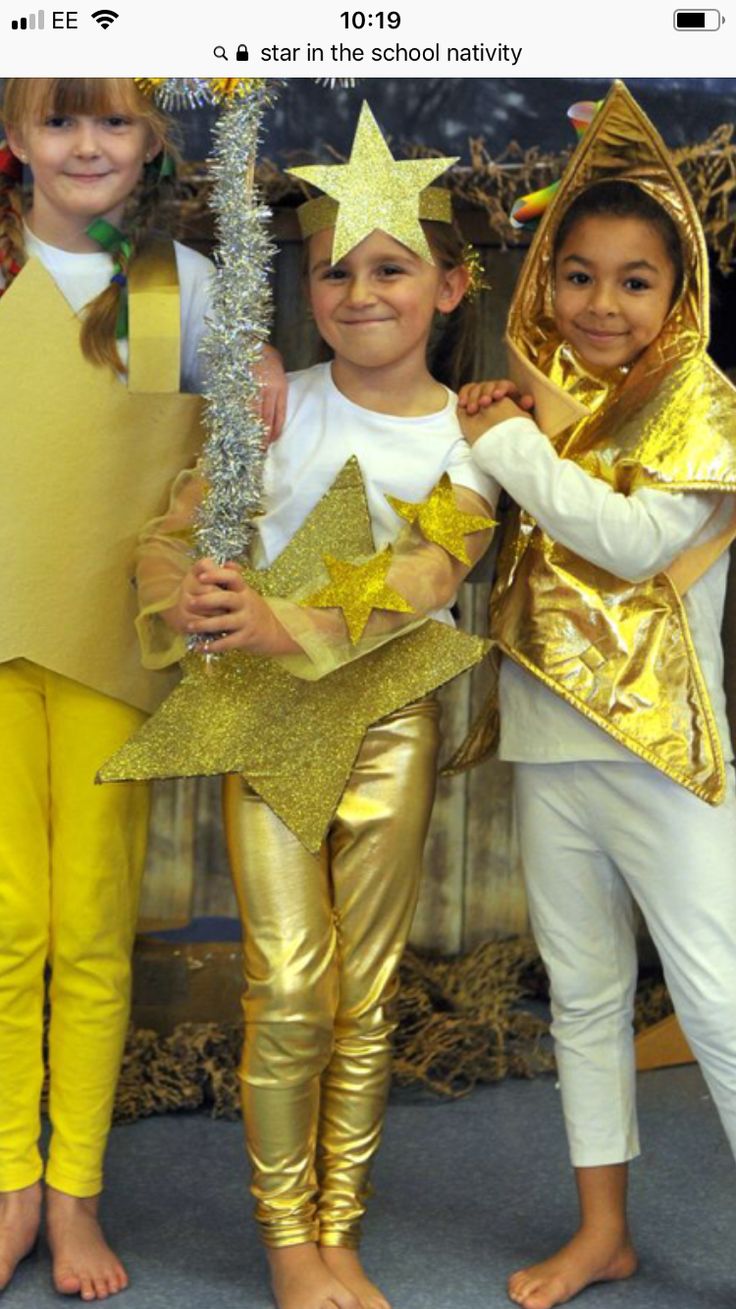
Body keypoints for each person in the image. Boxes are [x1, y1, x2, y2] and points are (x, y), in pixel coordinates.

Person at [134, 102, 496, 1309]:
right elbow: (177, 528)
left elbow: (430, 576)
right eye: (332, 268)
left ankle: (343, 1220)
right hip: (273, 724)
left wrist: (293, 617)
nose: (356, 291)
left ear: (449, 287)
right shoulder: (266, 406)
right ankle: (287, 1232)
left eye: (389, 267)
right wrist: (188, 589)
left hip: (391, 722)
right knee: (290, 981)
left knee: (367, 987)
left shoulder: (475, 436)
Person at [0, 76, 284, 1301]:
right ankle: (10, 1178)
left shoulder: (174, 287)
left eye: (112, 119)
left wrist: (260, 360)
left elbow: (225, 428)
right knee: (8, 926)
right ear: (13, 138)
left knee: (91, 926)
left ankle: (77, 1194)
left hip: (108, 644)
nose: (85, 145)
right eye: (57, 119)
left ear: (155, 135)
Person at [457, 81, 736, 1309]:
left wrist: (503, 441)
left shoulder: (700, 402)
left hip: (663, 754)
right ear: (547, 282)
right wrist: (512, 427)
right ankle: (602, 1229)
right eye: (578, 275)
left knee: (721, 998)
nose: (604, 302)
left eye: (635, 279)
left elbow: (627, 544)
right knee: (582, 993)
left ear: (678, 293)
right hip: (548, 741)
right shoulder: (555, 403)